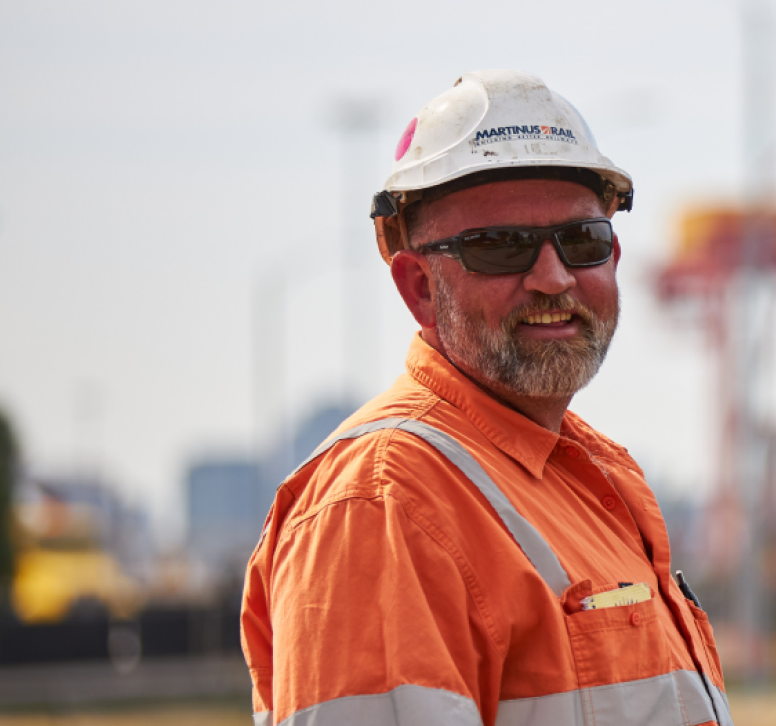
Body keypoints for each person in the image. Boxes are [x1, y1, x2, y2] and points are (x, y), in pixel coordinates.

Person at [240, 69, 732, 726]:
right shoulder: (386, 505)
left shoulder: (588, 480)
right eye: (502, 247)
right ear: (418, 287)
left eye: (582, 240)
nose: (554, 277)